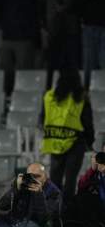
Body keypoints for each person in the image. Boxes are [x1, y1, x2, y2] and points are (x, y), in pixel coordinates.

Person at [41, 68, 94, 202]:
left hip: (55, 142)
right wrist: (89, 141)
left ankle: (53, 213)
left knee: (54, 180)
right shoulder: (80, 98)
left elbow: (42, 118)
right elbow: (88, 122)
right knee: (70, 180)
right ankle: (67, 214)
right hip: (75, 143)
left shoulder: (49, 96)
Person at [60, 150, 105, 227]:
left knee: (85, 199)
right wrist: (92, 170)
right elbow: (81, 187)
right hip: (98, 209)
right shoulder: (96, 173)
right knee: (80, 198)